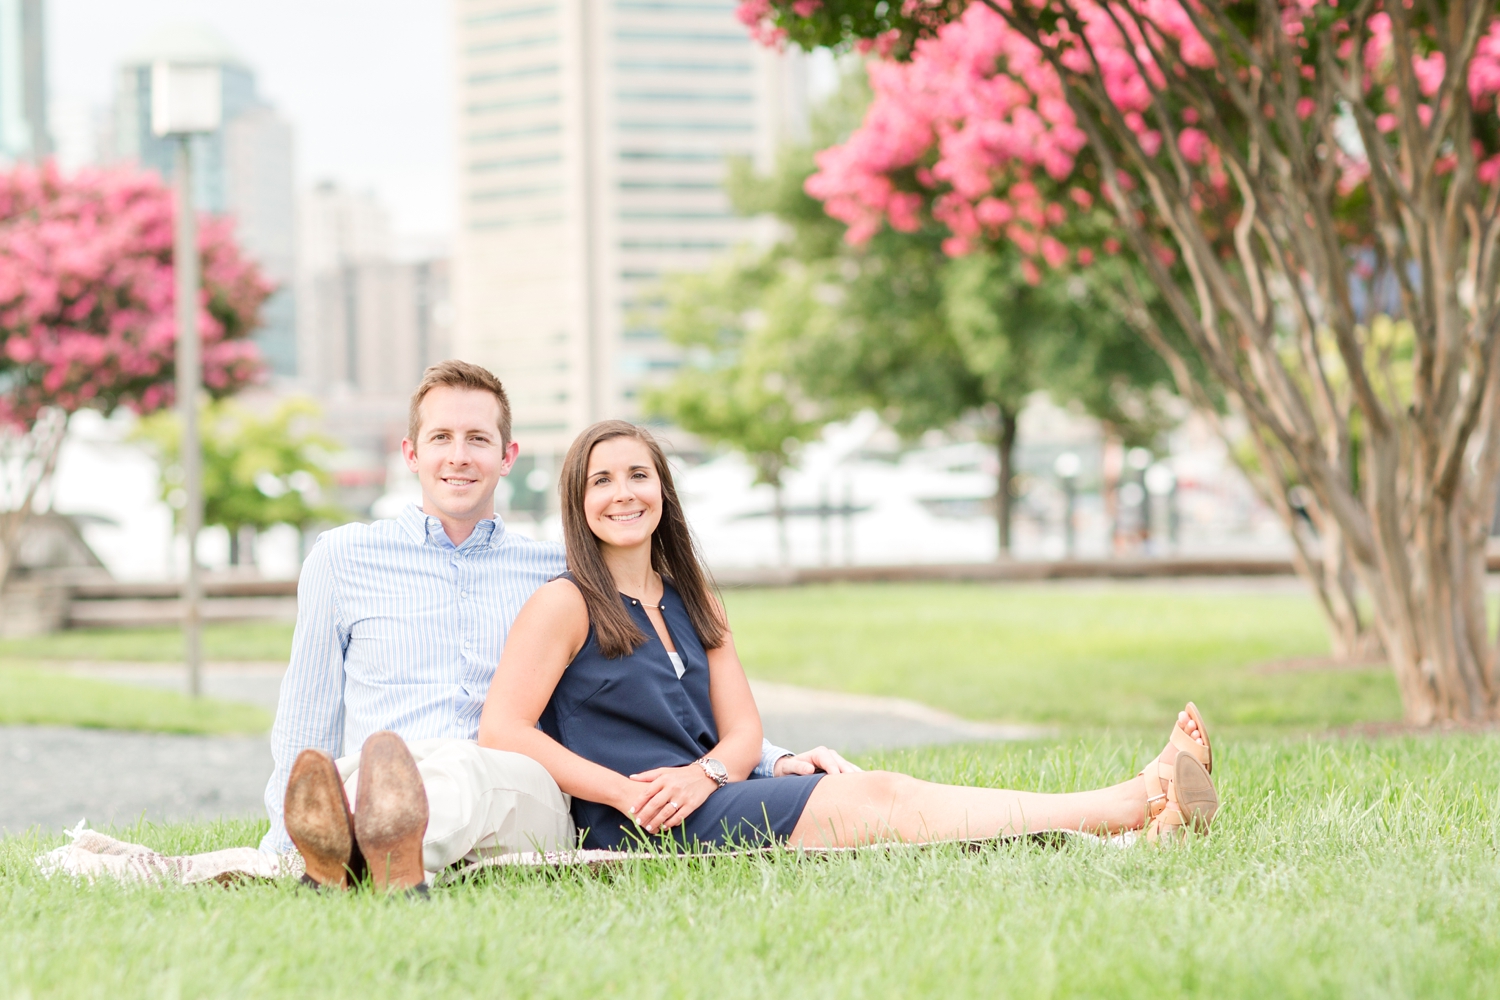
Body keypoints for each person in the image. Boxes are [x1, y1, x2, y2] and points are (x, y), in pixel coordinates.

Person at [478, 420, 1218, 852]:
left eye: (638, 475)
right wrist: (629, 794)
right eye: (601, 481)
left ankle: (1132, 829)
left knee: (875, 797)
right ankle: (1129, 801)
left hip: (711, 795)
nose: (622, 494)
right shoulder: (565, 604)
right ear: (580, 502)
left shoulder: (693, 597)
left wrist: (708, 775)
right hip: (637, 825)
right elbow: (502, 729)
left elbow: (741, 731)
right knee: (881, 797)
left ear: (663, 490)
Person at [263, 362, 857, 892]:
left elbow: (665, 679)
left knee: (464, 768)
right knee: (361, 780)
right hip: (371, 778)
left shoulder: (561, 573)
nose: (459, 455)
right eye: (440, 437)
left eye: (478, 439)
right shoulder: (341, 559)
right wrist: (283, 842)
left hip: (518, 790)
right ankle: (347, 847)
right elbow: (306, 712)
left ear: (508, 456)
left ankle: (374, 851)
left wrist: (767, 760)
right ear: (411, 453)